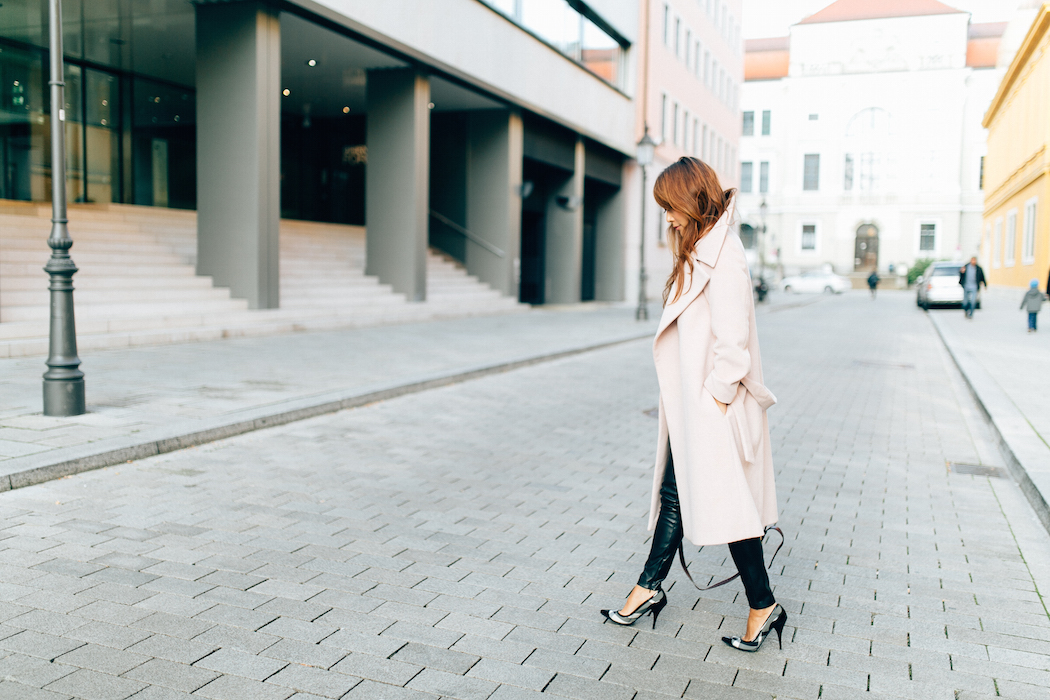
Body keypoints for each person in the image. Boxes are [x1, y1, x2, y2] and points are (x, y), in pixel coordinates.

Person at [600, 157, 785, 653]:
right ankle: (650, 589)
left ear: (692, 200)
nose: (668, 218)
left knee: (722, 505)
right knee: (682, 494)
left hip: (711, 410)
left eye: (670, 207)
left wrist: (713, 402)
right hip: (695, 410)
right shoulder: (700, 252)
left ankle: (758, 604)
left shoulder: (723, 256)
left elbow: (733, 344)